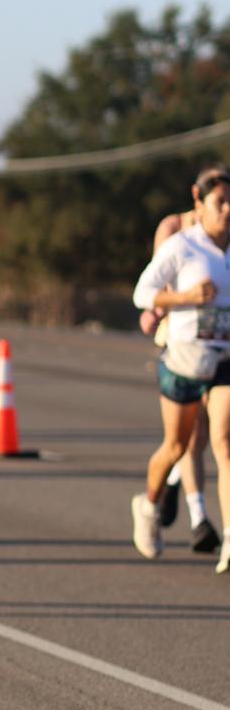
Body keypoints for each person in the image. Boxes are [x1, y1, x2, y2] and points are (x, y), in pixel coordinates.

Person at [131, 164, 230, 571]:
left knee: (224, 442)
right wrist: (187, 297)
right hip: (184, 358)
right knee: (178, 446)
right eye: (220, 202)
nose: (227, 210)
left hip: (225, 358)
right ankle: (149, 506)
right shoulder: (181, 242)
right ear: (199, 201)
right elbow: (143, 293)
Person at [140, 201, 215, 551]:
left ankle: (175, 483)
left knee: (210, 436)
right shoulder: (173, 230)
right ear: (200, 198)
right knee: (190, 436)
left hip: (220, 350)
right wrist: (157, 310)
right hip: (181, 346)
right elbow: (157, 284)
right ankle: (196, 516)